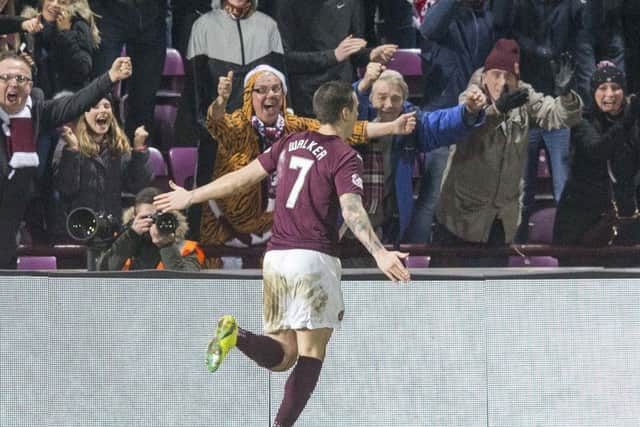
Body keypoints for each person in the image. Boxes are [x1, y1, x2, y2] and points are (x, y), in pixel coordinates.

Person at [154, 80, 411, 427]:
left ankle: (237, 336)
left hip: (276, 258)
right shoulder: (345, 155)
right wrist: (380, 254)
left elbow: (242, 177)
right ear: (347, 112)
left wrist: (191, 196)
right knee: (311, 352)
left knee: (284, 354)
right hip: (313, 259)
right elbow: (352, 210)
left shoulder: (290, 142)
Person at [195, 64, 418, 268]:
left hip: (276, 246)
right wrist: (221, 102)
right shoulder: (240, 126)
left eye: (276, 89)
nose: (270, 95)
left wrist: (392, 127)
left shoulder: (292, 133)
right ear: (248, 96)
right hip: (248, 238)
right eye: (261, 90)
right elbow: (217, 124)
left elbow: (348, 129)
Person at [432, 38, 583, 267]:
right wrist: (497, 110)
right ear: (484, 76)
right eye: (495, 75)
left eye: (508, 76)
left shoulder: (523, 95)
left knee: (494, 297)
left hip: (499, 221)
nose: (501, 82)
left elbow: (558, 116)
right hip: (460, 219)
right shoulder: (472, 97)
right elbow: (468, 128)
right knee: (448, 298)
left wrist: (566, 95)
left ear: (517, 77)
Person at [0, 51, 133, 268]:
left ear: (30, 85)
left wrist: (109, 77)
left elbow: (74, 103)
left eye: (21, 78)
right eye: (5, 77)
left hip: (7, 229)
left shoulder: (36, 114)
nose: (13, 84)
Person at [345, 62, 485, 259]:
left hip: (385, 227)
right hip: (344, 224)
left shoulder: (410, 123)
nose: (388, 105)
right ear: (369, 98)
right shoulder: (354, 118)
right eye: (381, 98)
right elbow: (339, 112)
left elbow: (439, 124)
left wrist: (467, 111)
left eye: (396, 99)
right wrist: (363, 84)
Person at [408, 0, 506, 244]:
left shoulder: (486, 18)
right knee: (431, 199)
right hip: (443, 118)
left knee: (475, 197)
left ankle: (464, 260)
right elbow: (428, 29)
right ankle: (413, 261)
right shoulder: (441, 15)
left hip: (477, 120)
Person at [504, 0, 595, 242]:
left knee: (563, 188)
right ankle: (516, 245)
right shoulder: (517, 7)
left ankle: (566, 247)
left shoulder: (574, 8)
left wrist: (587, 101)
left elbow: (583, 51)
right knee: (522, 190)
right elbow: (505, 38)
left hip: (559, 107)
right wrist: (535, 50)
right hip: (525, 109)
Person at [553, 65, 640, 266]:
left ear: (624, 91)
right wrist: (627, 122)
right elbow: (597, 150)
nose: (609, 94)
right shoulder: (581, 119)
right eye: (602, 87)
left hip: (625, 219)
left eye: (615, 87)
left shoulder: (634, 120)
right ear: (593, 92)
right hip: (582, 222)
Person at [51, 96, 152, 239]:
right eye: (95, 106)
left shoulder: (119, 146)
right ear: (83, 114)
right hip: (77, 229)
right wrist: (72, 151)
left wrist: (139, 150)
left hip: (112, 230)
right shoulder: (68, 144)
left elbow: (137, 186)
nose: (102, 110)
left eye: (106, 106)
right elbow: (66, 189)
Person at [273, 0, 398, 116]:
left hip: (345, 93)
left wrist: (370, 55)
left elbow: (352, 51)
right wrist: (333, 56)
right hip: (309, 99)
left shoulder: (351, 2)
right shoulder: (287, 4)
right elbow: (286, 59)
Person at [89, 0, 167, 143]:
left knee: (145, 100)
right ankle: (96, 155)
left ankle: (139, 158)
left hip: (152, 15)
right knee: (99, 93)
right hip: (108, 12)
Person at [97, 187, 203, 271]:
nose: (153, 223)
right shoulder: (122, 242)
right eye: (147, 218)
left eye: (158, 217)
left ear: (169, 217)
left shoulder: (186, 248)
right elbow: (104, 271)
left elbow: (187, 286)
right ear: (134, 218)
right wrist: (131, 235)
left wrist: (166, 245)